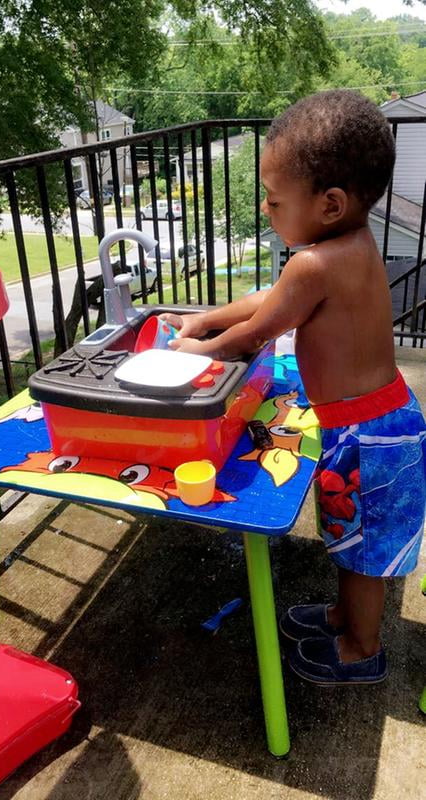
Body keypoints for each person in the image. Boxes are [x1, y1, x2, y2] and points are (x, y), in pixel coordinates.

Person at [160, 89, 426, 686]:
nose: (265, 208)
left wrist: (199, 347)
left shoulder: (316, 264)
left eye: (275, 200)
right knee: (348, 538)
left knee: (362, 554)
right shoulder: (345, 248)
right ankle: (341, 617)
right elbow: (272, 299)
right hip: (377, 422)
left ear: (329, 204)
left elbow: (261, 327)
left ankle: (364, 650)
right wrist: (206, 316)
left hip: (367, 434)